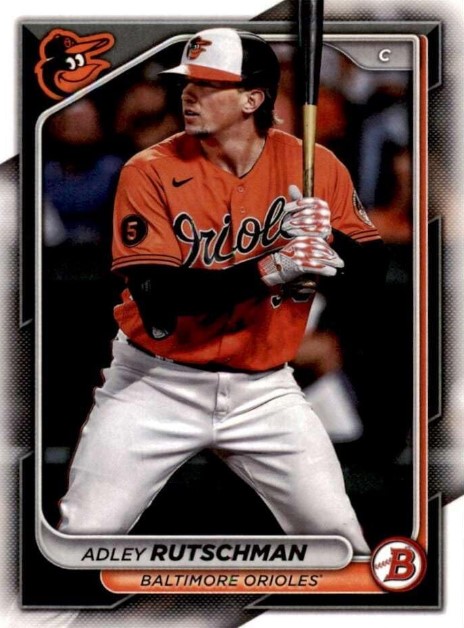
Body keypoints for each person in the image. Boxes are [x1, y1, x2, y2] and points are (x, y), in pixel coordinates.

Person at [58, 28, 385, 555]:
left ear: (252, 99)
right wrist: (271, 267)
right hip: (156, 383)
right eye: (187, 83)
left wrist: (331, 239)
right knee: (80, 537)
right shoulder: (150, 170)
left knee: (342, 544)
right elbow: (158, 296)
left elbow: (372, 272)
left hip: (265, 389)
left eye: (208, 85)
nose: (189, 95)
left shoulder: (314, 165)